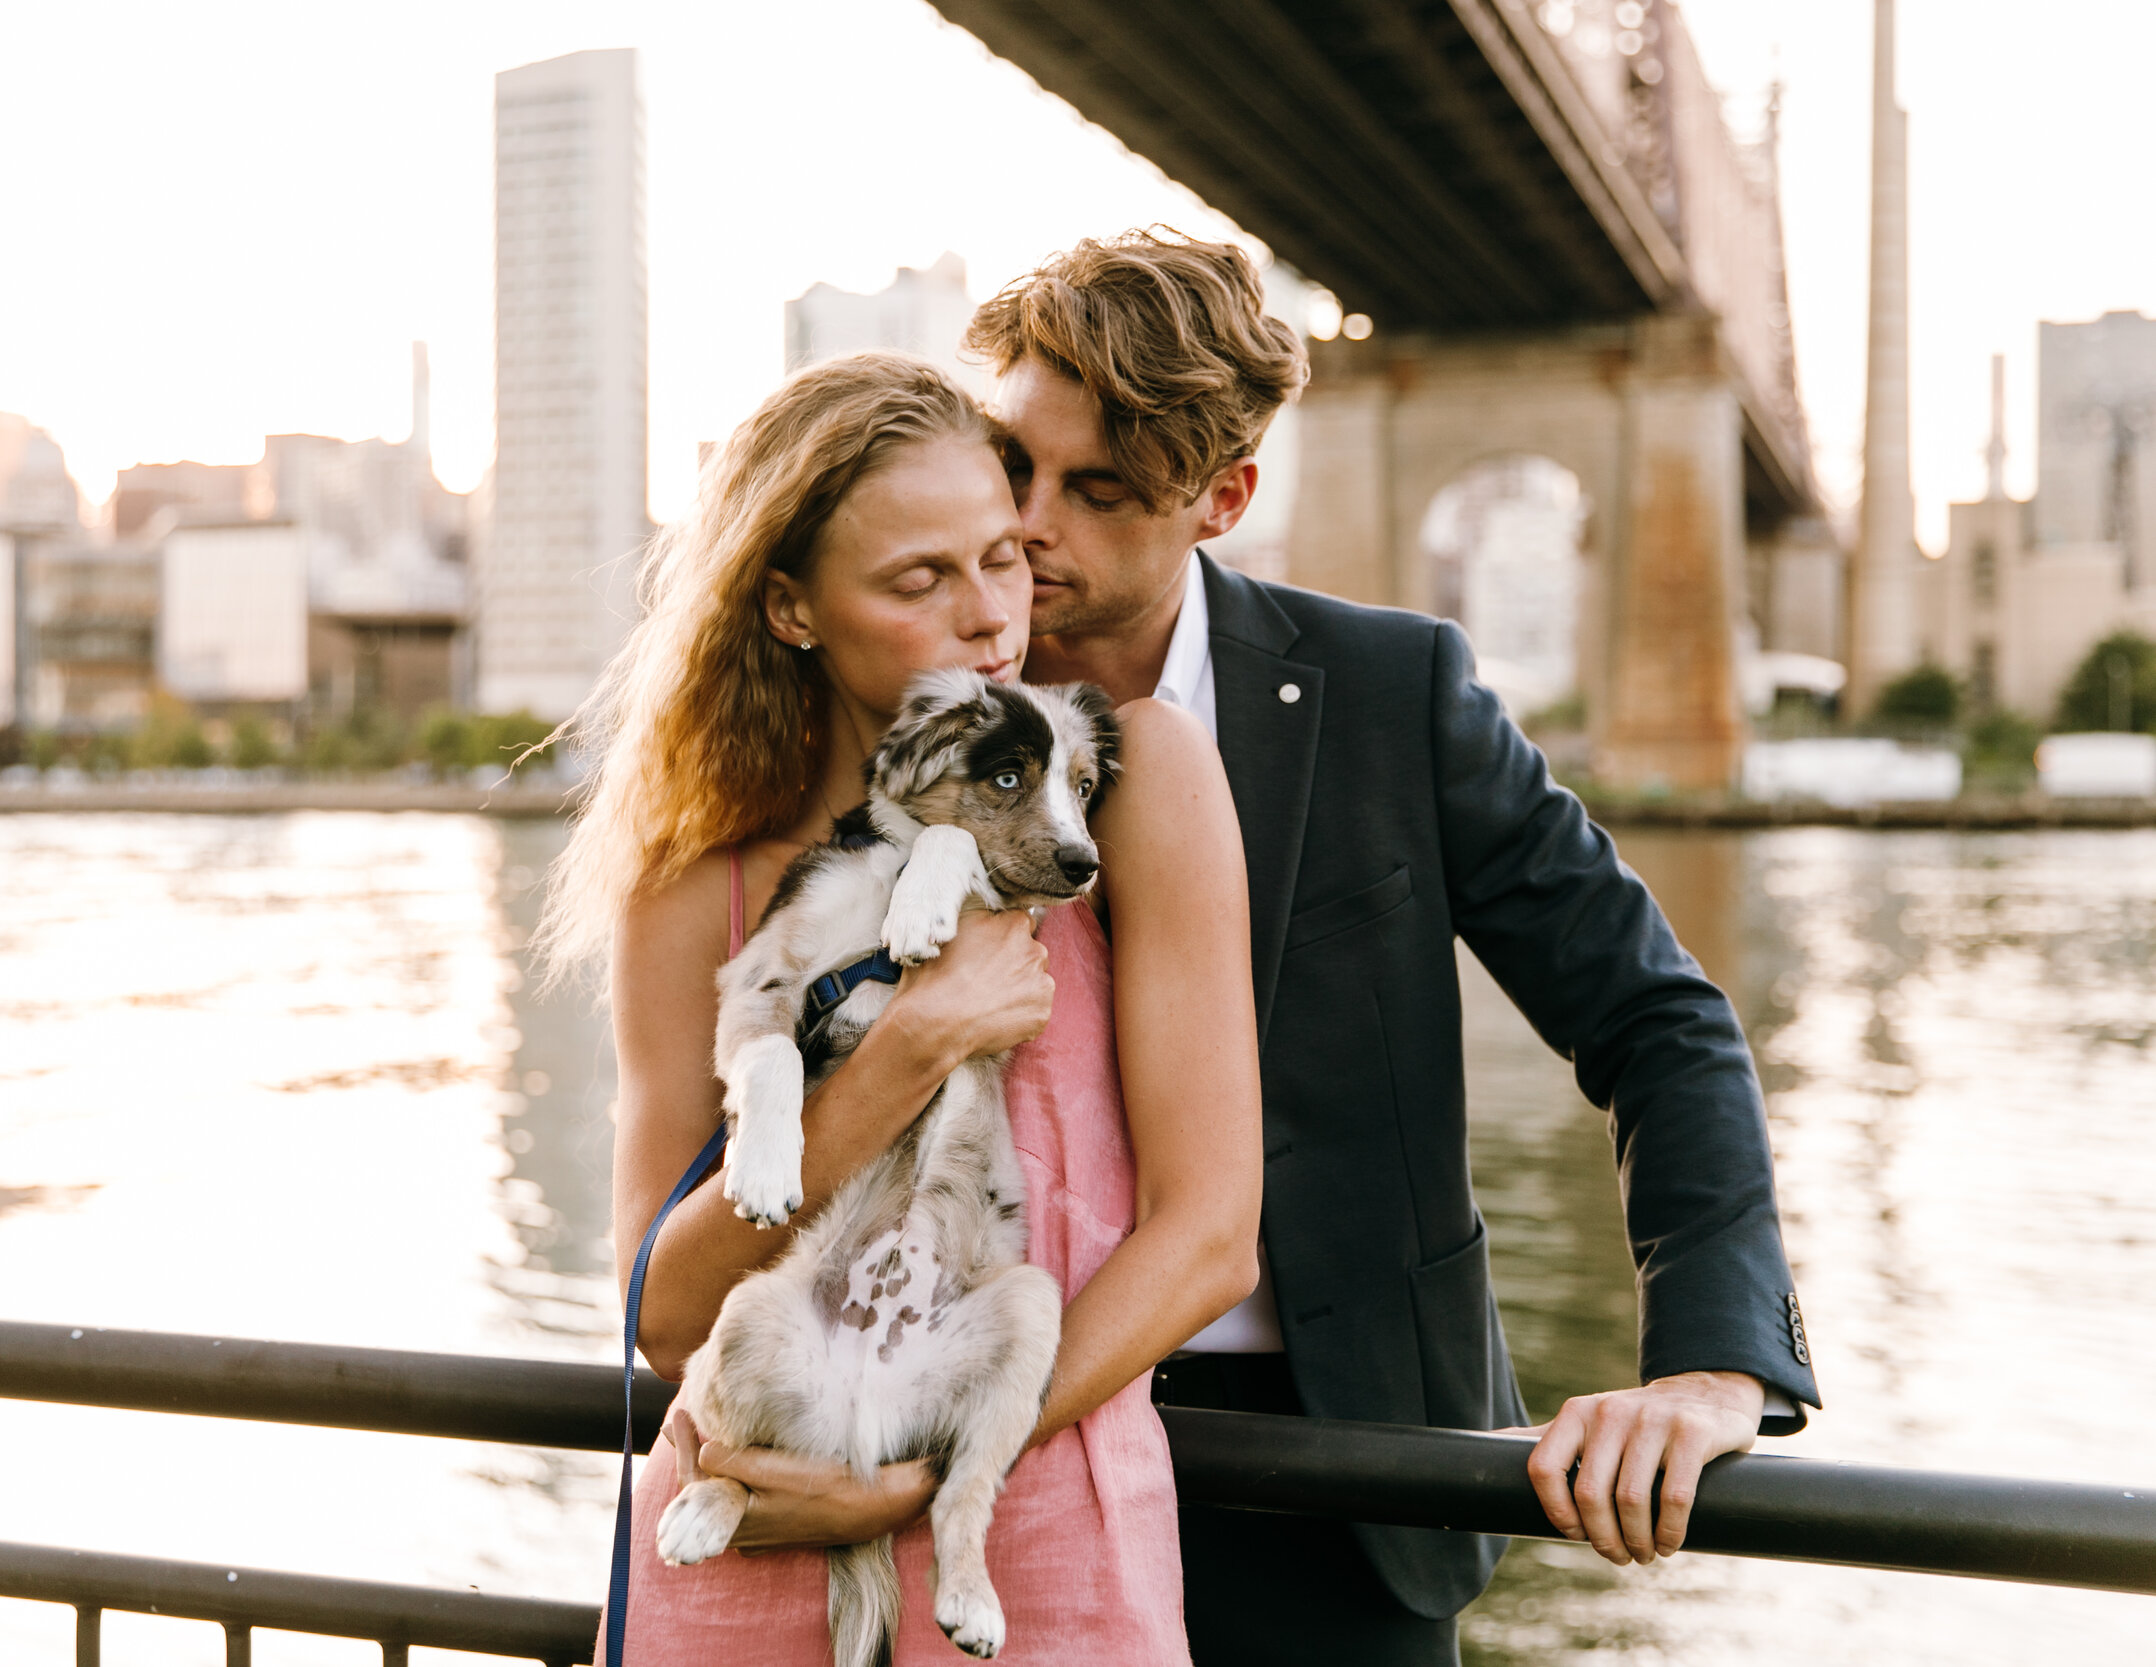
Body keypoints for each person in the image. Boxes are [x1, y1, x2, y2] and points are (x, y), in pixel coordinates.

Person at [965, 229, 1826, 1666]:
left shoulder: (1390, 692)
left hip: (1350, 1480)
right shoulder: (913, 700)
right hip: (998, 1468)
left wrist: (1713, 1365)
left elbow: (1659, 1020)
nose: (1030, 524)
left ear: (1223, 499)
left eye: (1099, 489)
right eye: (1011, 465)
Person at [540, 350, 1263, 1663]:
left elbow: (1213, 1238)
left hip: (1031, 1551)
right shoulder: (699, 878)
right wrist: (911, 1045)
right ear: (792, 608)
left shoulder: (1136, 778)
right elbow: (665, 1313)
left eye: (1000, 557)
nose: (991, 616)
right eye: (919, 581)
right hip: (744, 1545)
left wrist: (928, 1476)